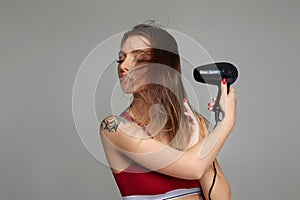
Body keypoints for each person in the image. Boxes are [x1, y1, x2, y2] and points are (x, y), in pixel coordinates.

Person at [100, 22, 236, 200]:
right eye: (121, 58)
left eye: (139, 58)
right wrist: (227, 121)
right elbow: (193, 168)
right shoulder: (115, 128)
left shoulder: (193, 123)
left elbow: (221, 197)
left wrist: (197, 142)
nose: (123, 66)